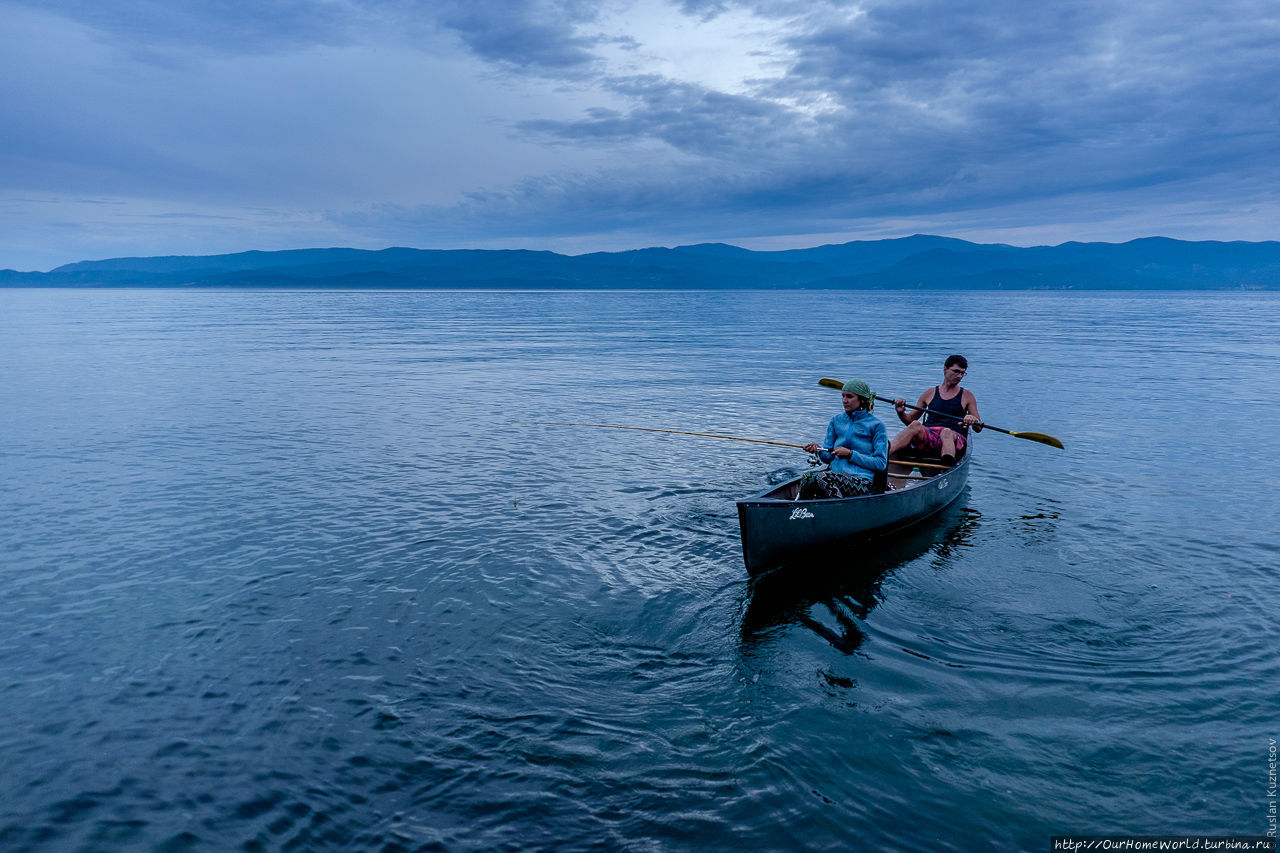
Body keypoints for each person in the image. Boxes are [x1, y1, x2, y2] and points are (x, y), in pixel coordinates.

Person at [801, 379, 889, 498]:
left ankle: (839, 510)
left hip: (862, 481)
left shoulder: (877, 425)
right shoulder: (836, 421)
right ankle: (802, 511)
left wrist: (850, 454)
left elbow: (881, 463)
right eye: (842, 396)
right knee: (807, 478)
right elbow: (827, 457)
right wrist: (818, 450)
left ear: (862, 400)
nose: (844, 400)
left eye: (849, 396)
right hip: (834, 475)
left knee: (822, 478)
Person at [888, 354, 982, 464]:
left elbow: (979, 427)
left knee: (946, 432)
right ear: (945, 369)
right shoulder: (929, 393)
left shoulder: (967, 395)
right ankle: (884, 455)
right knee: (915, 425)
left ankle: (946, 464)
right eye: (956, 371)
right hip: (930, 436)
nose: (959, 376)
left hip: (954, 438)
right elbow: (909, 420)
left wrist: (973, 420)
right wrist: (900, 413)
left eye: (962, 373)